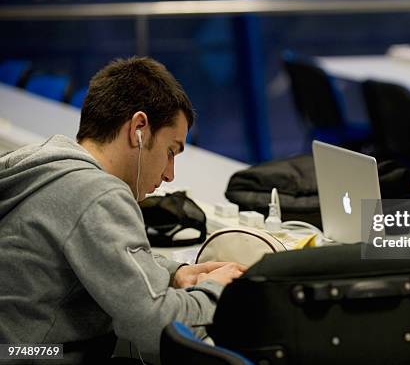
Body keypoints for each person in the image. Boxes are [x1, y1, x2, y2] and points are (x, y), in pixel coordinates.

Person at [0, 57, 246, 362]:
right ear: (139, 128)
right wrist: (215, 290)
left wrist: (175, 273)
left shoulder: (47, 164)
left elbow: (100, 257)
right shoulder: (97, 193)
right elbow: (155, 329)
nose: (170, 174)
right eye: (170, 151)